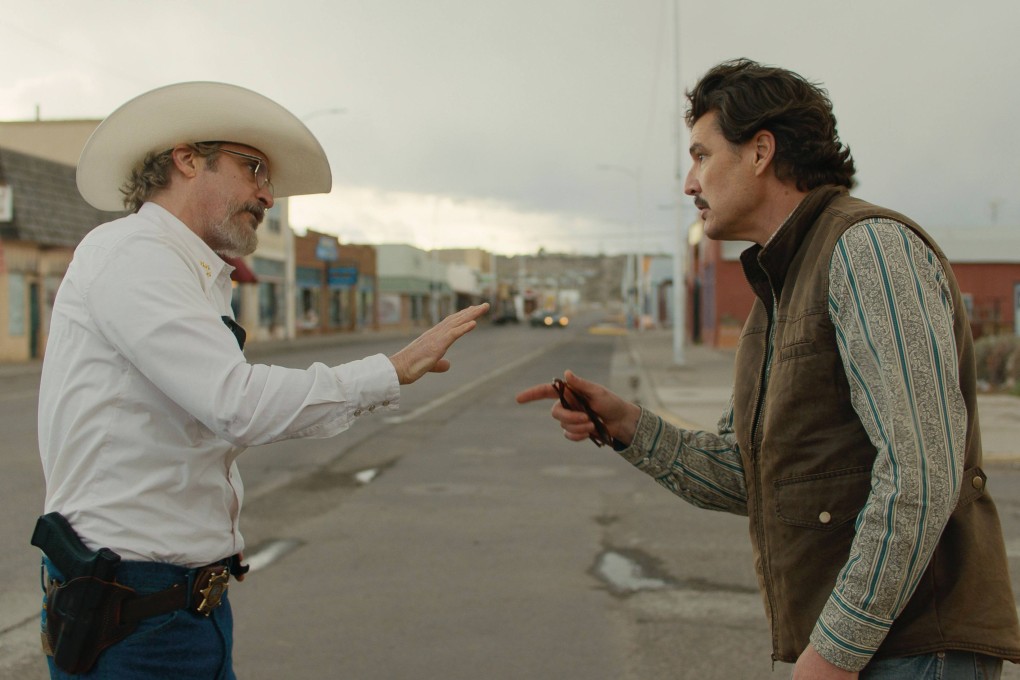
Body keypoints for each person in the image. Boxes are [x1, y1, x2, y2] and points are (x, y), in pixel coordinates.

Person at [517, 59, 1020, 679]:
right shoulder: (776, 294)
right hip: (867, 651)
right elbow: (747, 476)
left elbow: (920, 473)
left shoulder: (867, 250)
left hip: (914, 651)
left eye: (702, 156)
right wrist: (627, 426)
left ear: (760, 151)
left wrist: (836, 650)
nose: (688, 182)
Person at [35, 81, 489, 679]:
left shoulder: (190, 272)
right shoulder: (134, 254)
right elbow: (236, 404)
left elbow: (203, 426)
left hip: (175, 606)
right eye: (253, 168)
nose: (268, 194)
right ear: (187, 158)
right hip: (133, 614)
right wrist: (390, 371)